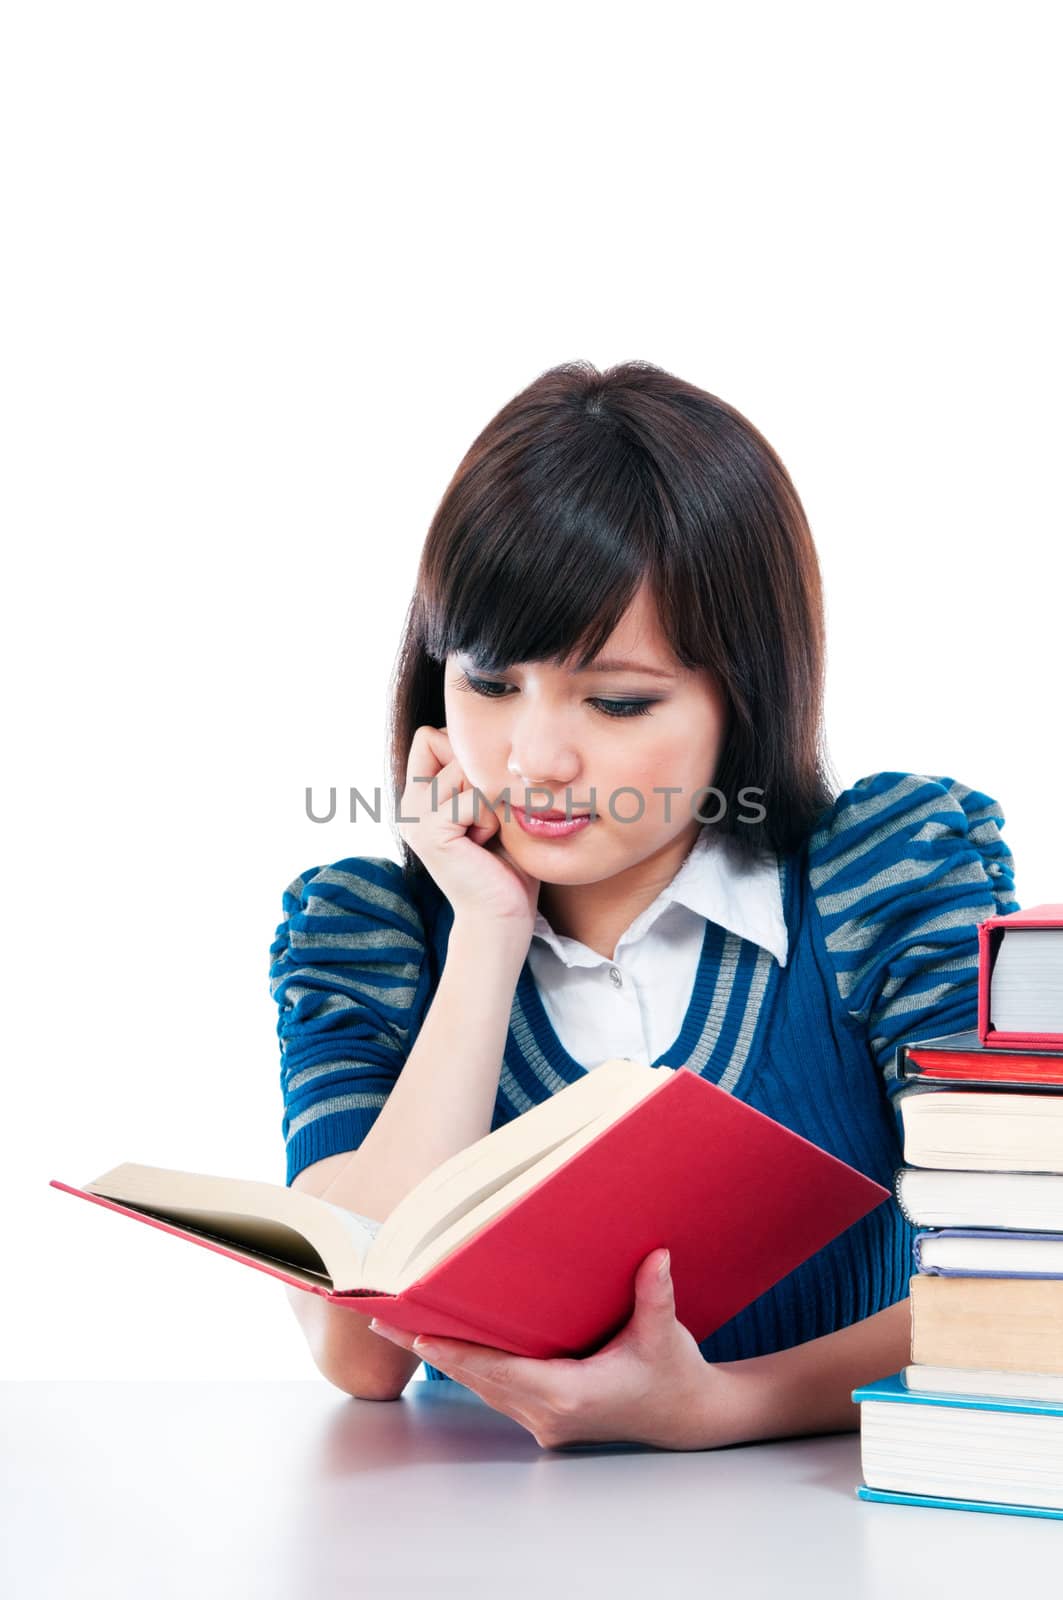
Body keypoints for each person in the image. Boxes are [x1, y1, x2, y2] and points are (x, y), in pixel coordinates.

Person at [268, 359, 1019, 1451]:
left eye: (616, 699)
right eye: (487, 679)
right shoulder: (371, 939)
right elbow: (361, 1352)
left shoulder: (880, 885)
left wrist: (727, 1406)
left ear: (743, 694)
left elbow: (1026, 1277)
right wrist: (485, 934)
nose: (534, 758)